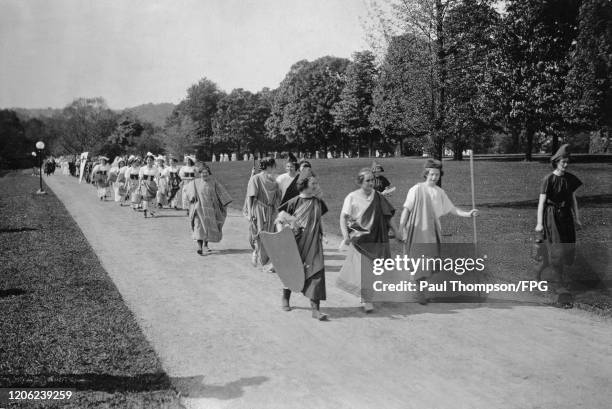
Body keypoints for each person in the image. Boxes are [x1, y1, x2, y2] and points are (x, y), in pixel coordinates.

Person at [399, 159, 478, 304]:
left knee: (431, 262)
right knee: (420, 262)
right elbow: (406, 209)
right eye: (431, 174)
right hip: (417, 229)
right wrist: (402, 228)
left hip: (434, 230)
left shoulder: (440, 192)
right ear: (426, 174)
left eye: (437, 174)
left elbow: (452, 209)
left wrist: (468, 214)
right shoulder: (416, 189)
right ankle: (419, 292)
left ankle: (418, 287)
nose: (434, 177)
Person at [338, 168, 402, 312]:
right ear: (360, 182)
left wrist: (397, 232)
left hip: (377, 238)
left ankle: (367, 295)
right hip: (360, 239)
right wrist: (345, 236)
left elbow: (388, 217)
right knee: (365, 269)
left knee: (374, 270)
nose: (371, 183)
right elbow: (343, 217)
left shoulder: (378, 196)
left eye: (372, 180)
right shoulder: (352, 197)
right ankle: (367, 299)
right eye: (367, 180)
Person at [277, 176, 329, 320]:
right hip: (296, 243)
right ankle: (285, 298)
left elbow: (320, 219)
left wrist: (323, 234)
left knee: (316, 272)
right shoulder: (293, 202)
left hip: (314, 243)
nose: (316, 185)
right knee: (292, 271)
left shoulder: (318, 202)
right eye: (313, 183)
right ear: (304, 185)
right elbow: (280, 219)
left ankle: (315, 309)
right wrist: (283, 233)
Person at [535, 144, 582, 303]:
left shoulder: (570, 179)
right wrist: (539, 223)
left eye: (567, 162)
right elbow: (541, 203)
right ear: (556, 162)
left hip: (566, 217)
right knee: (557, 250)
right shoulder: (548, 179)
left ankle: (539, 273)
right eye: (563, 162)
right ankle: (560, 286)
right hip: (551, 217)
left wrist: (577, 218)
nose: (566, 165)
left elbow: (573, 200)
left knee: (568, 249)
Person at [185, 162, 233, 255]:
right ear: (200, 173)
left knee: (208, 227)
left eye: (206, 172)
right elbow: (187, 191)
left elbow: (221, 192)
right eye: (202, 172)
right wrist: (192, 197)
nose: (204, 174)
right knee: (199, 226)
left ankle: (206, 245)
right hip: (199, 209)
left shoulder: (213, 182)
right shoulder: (195, 182)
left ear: (209, 173)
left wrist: (225, 201)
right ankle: (199, 247)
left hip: (211, 209)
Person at [246, 157, 281, 271]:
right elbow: (251, 196)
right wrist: (251, 212)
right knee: (259, 233)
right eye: (273, 166)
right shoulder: (256, 178)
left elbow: (277, 198)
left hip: (270, 211)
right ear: (269, 166)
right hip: (259, 209)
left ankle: (267, 259)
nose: (275, 168)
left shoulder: (274, 181)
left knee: (270, 234)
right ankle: (256, 251)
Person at [139, 152, 159, 218]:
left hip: (152, 184)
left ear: (153, 161)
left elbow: (157, 177)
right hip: (144, 184)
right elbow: (141, 177)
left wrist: (157, 185)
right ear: (146, 160)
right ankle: (145, 210)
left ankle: (151, 211)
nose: (149, 161)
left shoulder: (155, 168)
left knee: (152, 198)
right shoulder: (142, 168)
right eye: (148, 160)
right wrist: (139, 185)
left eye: (150, 160)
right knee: (145, 198)